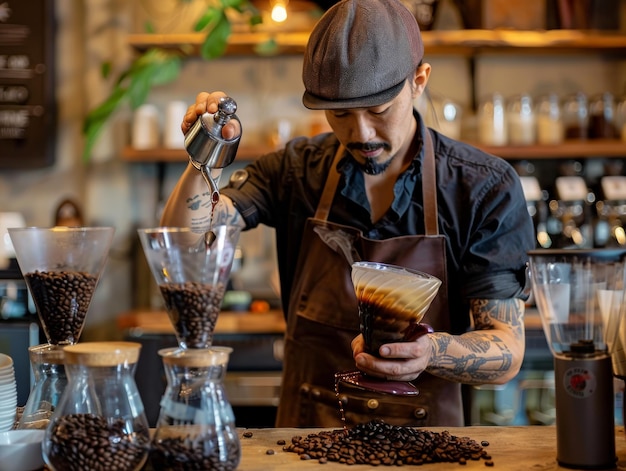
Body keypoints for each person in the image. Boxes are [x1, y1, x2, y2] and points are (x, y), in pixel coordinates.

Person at [161, 0, 535, 428]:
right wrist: (203, 158)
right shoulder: (296, 170)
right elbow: (184, 244)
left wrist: (432, 352)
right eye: (339, 114)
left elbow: (506, 350)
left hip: (426, 445)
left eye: (378, 111)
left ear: (419, 81)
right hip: (304, 442)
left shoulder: (483, 186)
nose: (361, 133)